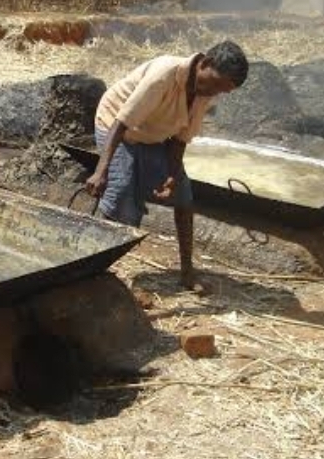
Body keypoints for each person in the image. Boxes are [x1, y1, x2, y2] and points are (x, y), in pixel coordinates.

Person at [85, 40, 249, 290]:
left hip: (151, 135)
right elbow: (121, 124)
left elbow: (180, 140)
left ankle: (187, 274)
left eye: (222, 91)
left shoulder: (205, 91)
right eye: (215, 84)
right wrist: (101, 170)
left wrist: (172, 175)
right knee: (121, 201)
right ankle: (95, 275)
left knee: (184, 196)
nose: (215, 92)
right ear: (204, 63)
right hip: (116, 128)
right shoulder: (163, 75)